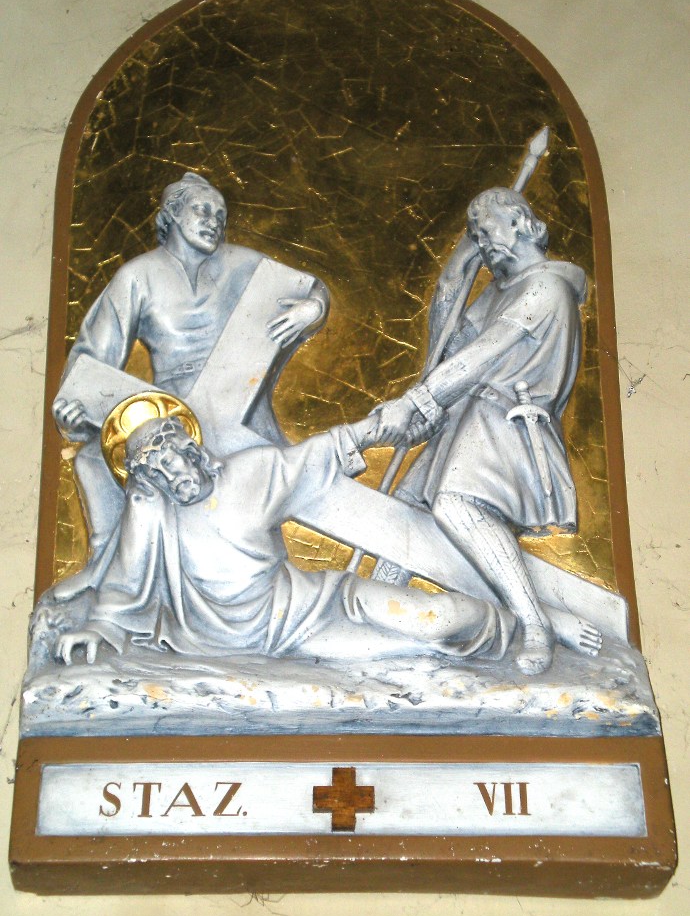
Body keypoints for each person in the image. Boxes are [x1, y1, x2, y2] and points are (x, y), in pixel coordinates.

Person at [53, 415, 601, 669]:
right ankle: (514, 629)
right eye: (158, 471)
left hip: (315, 606)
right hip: (281, 643)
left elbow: (320, 453)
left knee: (437, 621)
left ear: (193, 449)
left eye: (175, 459)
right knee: (415, 653)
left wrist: (387, 422)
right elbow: (124, 586)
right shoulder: (151, 515)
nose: (175, 476)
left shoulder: (253, 474)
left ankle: (532, 620)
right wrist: (99, 628)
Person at [53, 172, 328, 570]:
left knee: (261, 498)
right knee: (92, 463)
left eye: (220, 215)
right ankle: (116, 577)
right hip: (174, 416)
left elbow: (310, 287)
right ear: (172, 214)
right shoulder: (137, 276)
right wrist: (75, 414)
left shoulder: (239, 262)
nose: (214, 221)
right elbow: (93, 360)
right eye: (202, 210)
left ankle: (264, 579)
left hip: (240, 406)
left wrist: (313, 308)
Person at [374, 187, 588, 675]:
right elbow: (449, 349)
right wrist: (455, 272)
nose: (480, 239)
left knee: (454, 505)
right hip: (469, 420)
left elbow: (481, 356)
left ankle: (535, 622)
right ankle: (382, 607)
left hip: (507, 424)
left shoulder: (547, 287)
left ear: (519, 222)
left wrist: (417, 402)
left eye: (484, 228)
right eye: (473, 233)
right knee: (405, 512)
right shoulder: (501, 290)